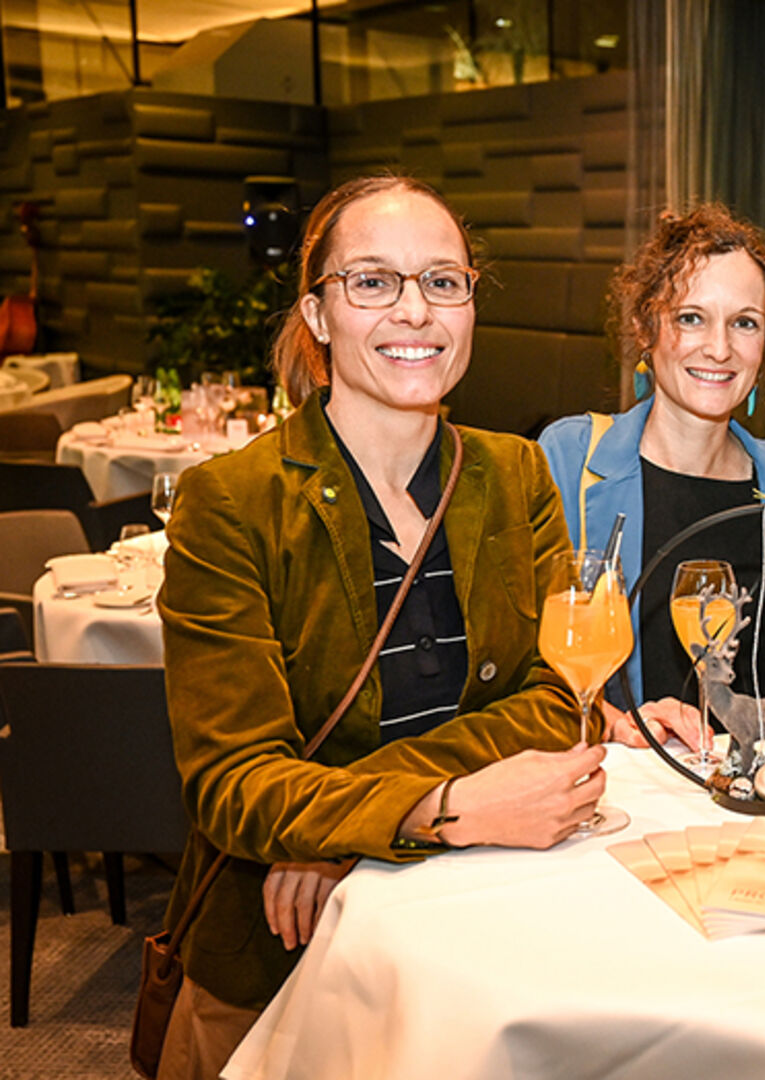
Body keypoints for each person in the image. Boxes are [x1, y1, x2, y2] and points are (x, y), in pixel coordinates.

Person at [156, 174, 604, 1079]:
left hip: (488, 913)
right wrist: (438, 808)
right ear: (318, 315)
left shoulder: (517, 477)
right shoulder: (232, 504)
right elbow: (233, 783)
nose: (416, 312)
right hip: (286, 946)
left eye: (443, 281)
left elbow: (561, 696)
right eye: (372, 281)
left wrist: (342, 822)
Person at [540, 205, 765, 747]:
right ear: (646, 328)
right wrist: (610, 721)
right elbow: (526, 660)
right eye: (691, 318)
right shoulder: (570, 459)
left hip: (759, 791)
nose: (719, 348)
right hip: (625, 797)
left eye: (744, 323)